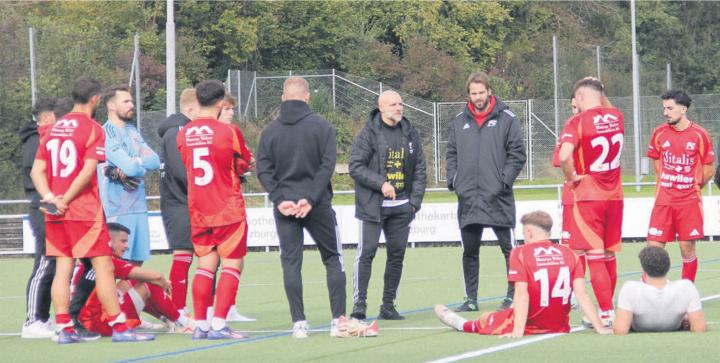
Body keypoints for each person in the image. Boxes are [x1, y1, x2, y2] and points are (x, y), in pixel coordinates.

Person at [30, 76, 149, 343]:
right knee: (104, 267)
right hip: (82, 211)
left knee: (63, 267)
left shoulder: (52, 129)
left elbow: (37, 170)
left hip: (55, 211)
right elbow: (86, 171)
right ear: (95, 99)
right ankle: (120, 327)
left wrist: (51, 197)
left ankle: (63, 328)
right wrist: (67, 199)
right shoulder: (93, 128)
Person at [256, 76, 347, 338]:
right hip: (317, 204)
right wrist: (311, 198)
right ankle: (338, 320)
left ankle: (299, 323)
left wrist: (279, 198)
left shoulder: (269, 132)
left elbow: (263, 169)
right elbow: (326, 166)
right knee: (332, 258)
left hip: (284, 206)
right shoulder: (323, 127)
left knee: (291, 262)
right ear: (307, 97)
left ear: (283, 98)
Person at [435, 211, 611, 337]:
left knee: (485, 319)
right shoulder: (569, 253)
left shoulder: (520, 252)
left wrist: (517, 330)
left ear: (529, 232)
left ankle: (459, 322)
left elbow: (521, 293)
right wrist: (599, 327)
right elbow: (582, 293)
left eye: (524, 233)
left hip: (531, 325)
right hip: (559, 325)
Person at [177, 80, 253, 340]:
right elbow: (244, 162)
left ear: (197, 101)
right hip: (227, 207)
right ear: (221, 103)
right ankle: (220, 324)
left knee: (204, 265)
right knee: (233, 263)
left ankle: (201, 325)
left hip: (198, 208)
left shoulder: (184, 133)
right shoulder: (228, 132)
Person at [445, 72, 527, 312]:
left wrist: (504, 182)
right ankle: (471, 299)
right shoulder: (460, 120)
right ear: (468, 94)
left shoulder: (508, 118)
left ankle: (512, 297)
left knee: (509, 251)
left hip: (498, 196)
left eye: (481, 92)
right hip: (469, 197)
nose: (478, 97)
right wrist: (454, 181)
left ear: (489, 91)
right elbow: (451, 153)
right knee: (469, 252)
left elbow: (517, 154)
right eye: (473, 93)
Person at [348, 90, 427, 320]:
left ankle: (388, 305)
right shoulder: (368, 134)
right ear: (381, 107)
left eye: (401, 103)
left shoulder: (410, 133)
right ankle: (359, 305)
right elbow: (356, 166)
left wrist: (414, 203)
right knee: (367, 253)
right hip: (373, 207)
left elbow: (420, 168)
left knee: (396, 256)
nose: (398, 107)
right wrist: (382, 184)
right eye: (393, 104)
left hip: (402, 208)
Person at [558, 78, 624, 325]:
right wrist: (597, 89)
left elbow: (564, 155)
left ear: (580, 97)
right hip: (615, 196)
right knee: (609, 254)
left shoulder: (577, 121)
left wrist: (571, 176)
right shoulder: (617, 116)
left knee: (594, 254)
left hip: (589, 196)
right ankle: (610, 309)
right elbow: (603, 105)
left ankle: (606, 314)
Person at [646, 89, 715, 283]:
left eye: (670, 108)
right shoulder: (659, 133)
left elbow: (709, 168)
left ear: (683, 109)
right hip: (664, 200)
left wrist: (692, 185)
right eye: (664, 108)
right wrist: (668, 180)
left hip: (689, 202)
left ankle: (686, 295)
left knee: (687, 249)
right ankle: (651, 292)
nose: (665, 112)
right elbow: (657, 161)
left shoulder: (700, 134)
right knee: (653, 250)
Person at [77, 223, 193, 337]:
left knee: (136, 280)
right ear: (109, 241)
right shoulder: (107, 261)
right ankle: (182, 321)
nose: (127, 246)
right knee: (148, 284)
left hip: (83, 320)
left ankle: (166, 318)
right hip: (99, 324)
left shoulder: (92, 258)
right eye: (123, 241)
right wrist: (163, 282)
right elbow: (156, 276)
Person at [98, 85, 160, 266]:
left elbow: (155, 160)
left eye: (131, 101)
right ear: (111, 105)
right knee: (117, 266)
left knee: (137, 266)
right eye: (126, 101)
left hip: (139, 206)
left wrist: (135, 163)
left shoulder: (132, 131)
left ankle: (125, 296)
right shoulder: (106, 133)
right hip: (117, 210)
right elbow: (129, 169)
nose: (131, 104)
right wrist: (137, 164)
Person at [20, 98, 64, 338]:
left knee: (57, 263)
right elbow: (37, 174)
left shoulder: (47, 139)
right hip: (41, 206)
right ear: (47, 118)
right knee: (45, 262)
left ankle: (45, 318)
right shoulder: (35, 141)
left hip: (53, 205)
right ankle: (33, 320)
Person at [614, 246, 706, 334]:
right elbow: (699, 328)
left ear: (643, 269)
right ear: (669, 266)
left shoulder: (630, 288)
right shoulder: (686, 287)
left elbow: (620, 330)